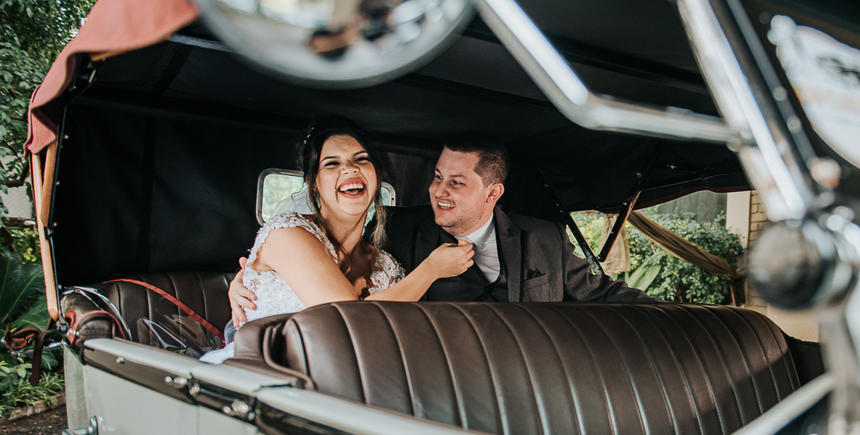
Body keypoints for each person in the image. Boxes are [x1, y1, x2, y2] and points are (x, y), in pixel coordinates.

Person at [229, 131, 650, 323]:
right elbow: (321, 275)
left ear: (493, 192)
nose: (438, 191)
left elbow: (605, 295)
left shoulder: (544, 238)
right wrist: (243, 278)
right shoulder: (396, 231)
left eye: (457, 182)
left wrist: (697, 319)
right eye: (436, 176)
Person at [204, 117, 474, 361]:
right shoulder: (287, 234)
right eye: (332, 163)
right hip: (262, 376)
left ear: (376, 175)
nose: (350, 169)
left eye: (361, 159)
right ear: (313, 182)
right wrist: (431, 269)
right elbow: (347, 319)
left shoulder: (387, 265)